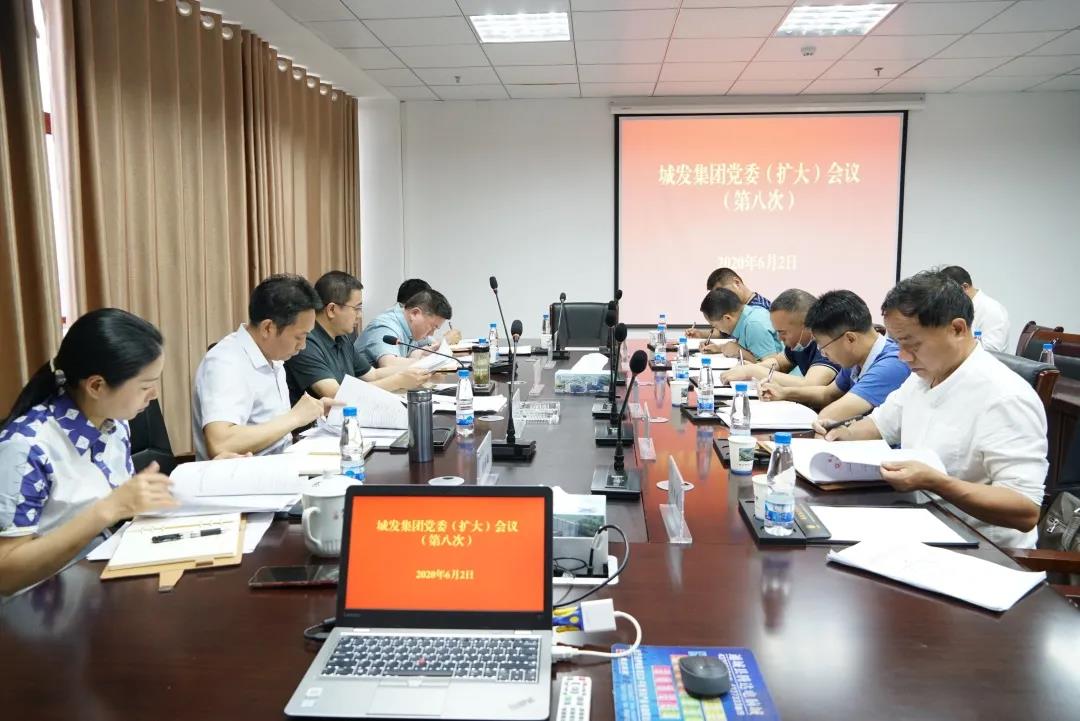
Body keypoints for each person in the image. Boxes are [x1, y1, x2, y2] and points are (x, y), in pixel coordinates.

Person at [818, 271, 1046, 548]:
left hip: (981, 549)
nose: (903, 356)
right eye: (898, 344)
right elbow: (879, 425)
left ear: (957, 329)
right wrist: (842, 433)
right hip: (921, 525)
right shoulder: (922, 377)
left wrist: (937, 483)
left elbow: (1025, 509)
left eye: (913, 345)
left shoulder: (1005, 396)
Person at [0, 309, 177, 595]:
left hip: (102, 576)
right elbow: (5, 574)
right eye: (145, 385)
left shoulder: (115, 424)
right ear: (96, 386)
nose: (153, 394)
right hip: (44, 601)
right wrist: (108, 509)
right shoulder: (26, 448)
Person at [192, 274, 338, 461]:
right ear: (268, 328)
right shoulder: (226, 362)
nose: (302, 346)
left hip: (280, 463)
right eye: (299, 337)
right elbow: (220, 443)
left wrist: (314, 410)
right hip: (243, 475)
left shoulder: (273, 357)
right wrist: (295, 417)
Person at [760, 290, 910, 424]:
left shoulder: (891, 364)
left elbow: (831, 415)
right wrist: (784, 392)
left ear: (850, 339)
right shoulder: (856, 360)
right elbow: (827, 394)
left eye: (824, 347)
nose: (824, 354)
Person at [285, 271, 431, 402]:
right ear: (332, 310)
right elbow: (335, 394)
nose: (360, 315)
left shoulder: (342, 337)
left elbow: (373, 375)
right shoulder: (306, 342)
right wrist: (398, 381)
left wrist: (423, 369)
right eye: (357, 308)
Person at [721, 289, 840, 388]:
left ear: (806, 324)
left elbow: (811, 385)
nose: (779, 337)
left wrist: (753, 371)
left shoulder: (828, 342)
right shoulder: (799, 344)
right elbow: (779, 363)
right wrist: (753, 367)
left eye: (782, 332)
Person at [357, 289, 454, 368]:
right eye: (432, 327)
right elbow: (389, 364)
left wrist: (423, 354)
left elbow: (408, 355)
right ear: (415, 313)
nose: (431, 334)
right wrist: (431, 361)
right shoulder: (386, 327)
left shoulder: (408, 325)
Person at [698, 288, 783, 361]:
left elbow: (773, 367)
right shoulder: (747, 314)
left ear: (727, 318)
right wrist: (719, 348)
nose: (717, 329)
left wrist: (740, 352)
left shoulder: (753, 326)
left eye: (716, 326)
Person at [939, 265, 1010, 352]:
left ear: (964, 287)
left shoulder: (993, 310)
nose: (946, 299)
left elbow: (992, 350)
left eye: (949, 294)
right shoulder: (958, 308)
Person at [688, 268, 771, 338]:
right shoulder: (734, 308)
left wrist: (723, 348)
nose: (721, 296)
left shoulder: (760, 311)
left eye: (722, 291)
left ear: (736, 283)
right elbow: (723, 333)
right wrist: (701, 334)